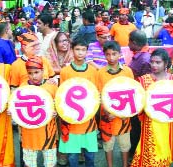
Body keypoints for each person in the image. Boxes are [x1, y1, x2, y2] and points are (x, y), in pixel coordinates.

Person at [131, 48, 173, 167]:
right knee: (152, 154)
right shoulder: (143, 80)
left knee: (168, 148)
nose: (154, 65)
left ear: (166, 63)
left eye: (158, 62)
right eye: (152, 62)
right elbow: (138, 102)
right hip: (151, 123)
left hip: (171, 122)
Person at [10, 56, 58, 167]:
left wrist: (56, 112)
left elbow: (59, 106)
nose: (34, 76)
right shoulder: (23, 87)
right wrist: (13, 112)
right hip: (28, 134)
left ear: (43, 71)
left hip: (48, 133)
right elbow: (18, 106)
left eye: (36, 72)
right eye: (30, 73)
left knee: (50, 163)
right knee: (29, 164)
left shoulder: (51, 86)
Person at [59, 38, 98, 167]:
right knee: (72, 157)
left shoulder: (93, 71)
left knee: (90, 156)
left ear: (87, 52)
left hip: (88, 120)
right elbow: (62, 95)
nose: (80, 53)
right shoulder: (65, 72)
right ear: (72, 50)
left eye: (83, 50)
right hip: (71, 121)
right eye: (77, 49)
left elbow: (95, 95)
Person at [96, 41, 133, 167]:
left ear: (119, 54)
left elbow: (132, 94)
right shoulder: (100, 73)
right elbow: (100, 95)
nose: (111, 58)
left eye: (114, 54)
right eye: (108, 54)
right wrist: (107, 112)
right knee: (108, 144)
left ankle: (124, 164)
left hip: (124, 116)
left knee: (125, 144)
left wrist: (126, 112)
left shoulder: (127, 71)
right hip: (107, 115)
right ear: (104, 55)